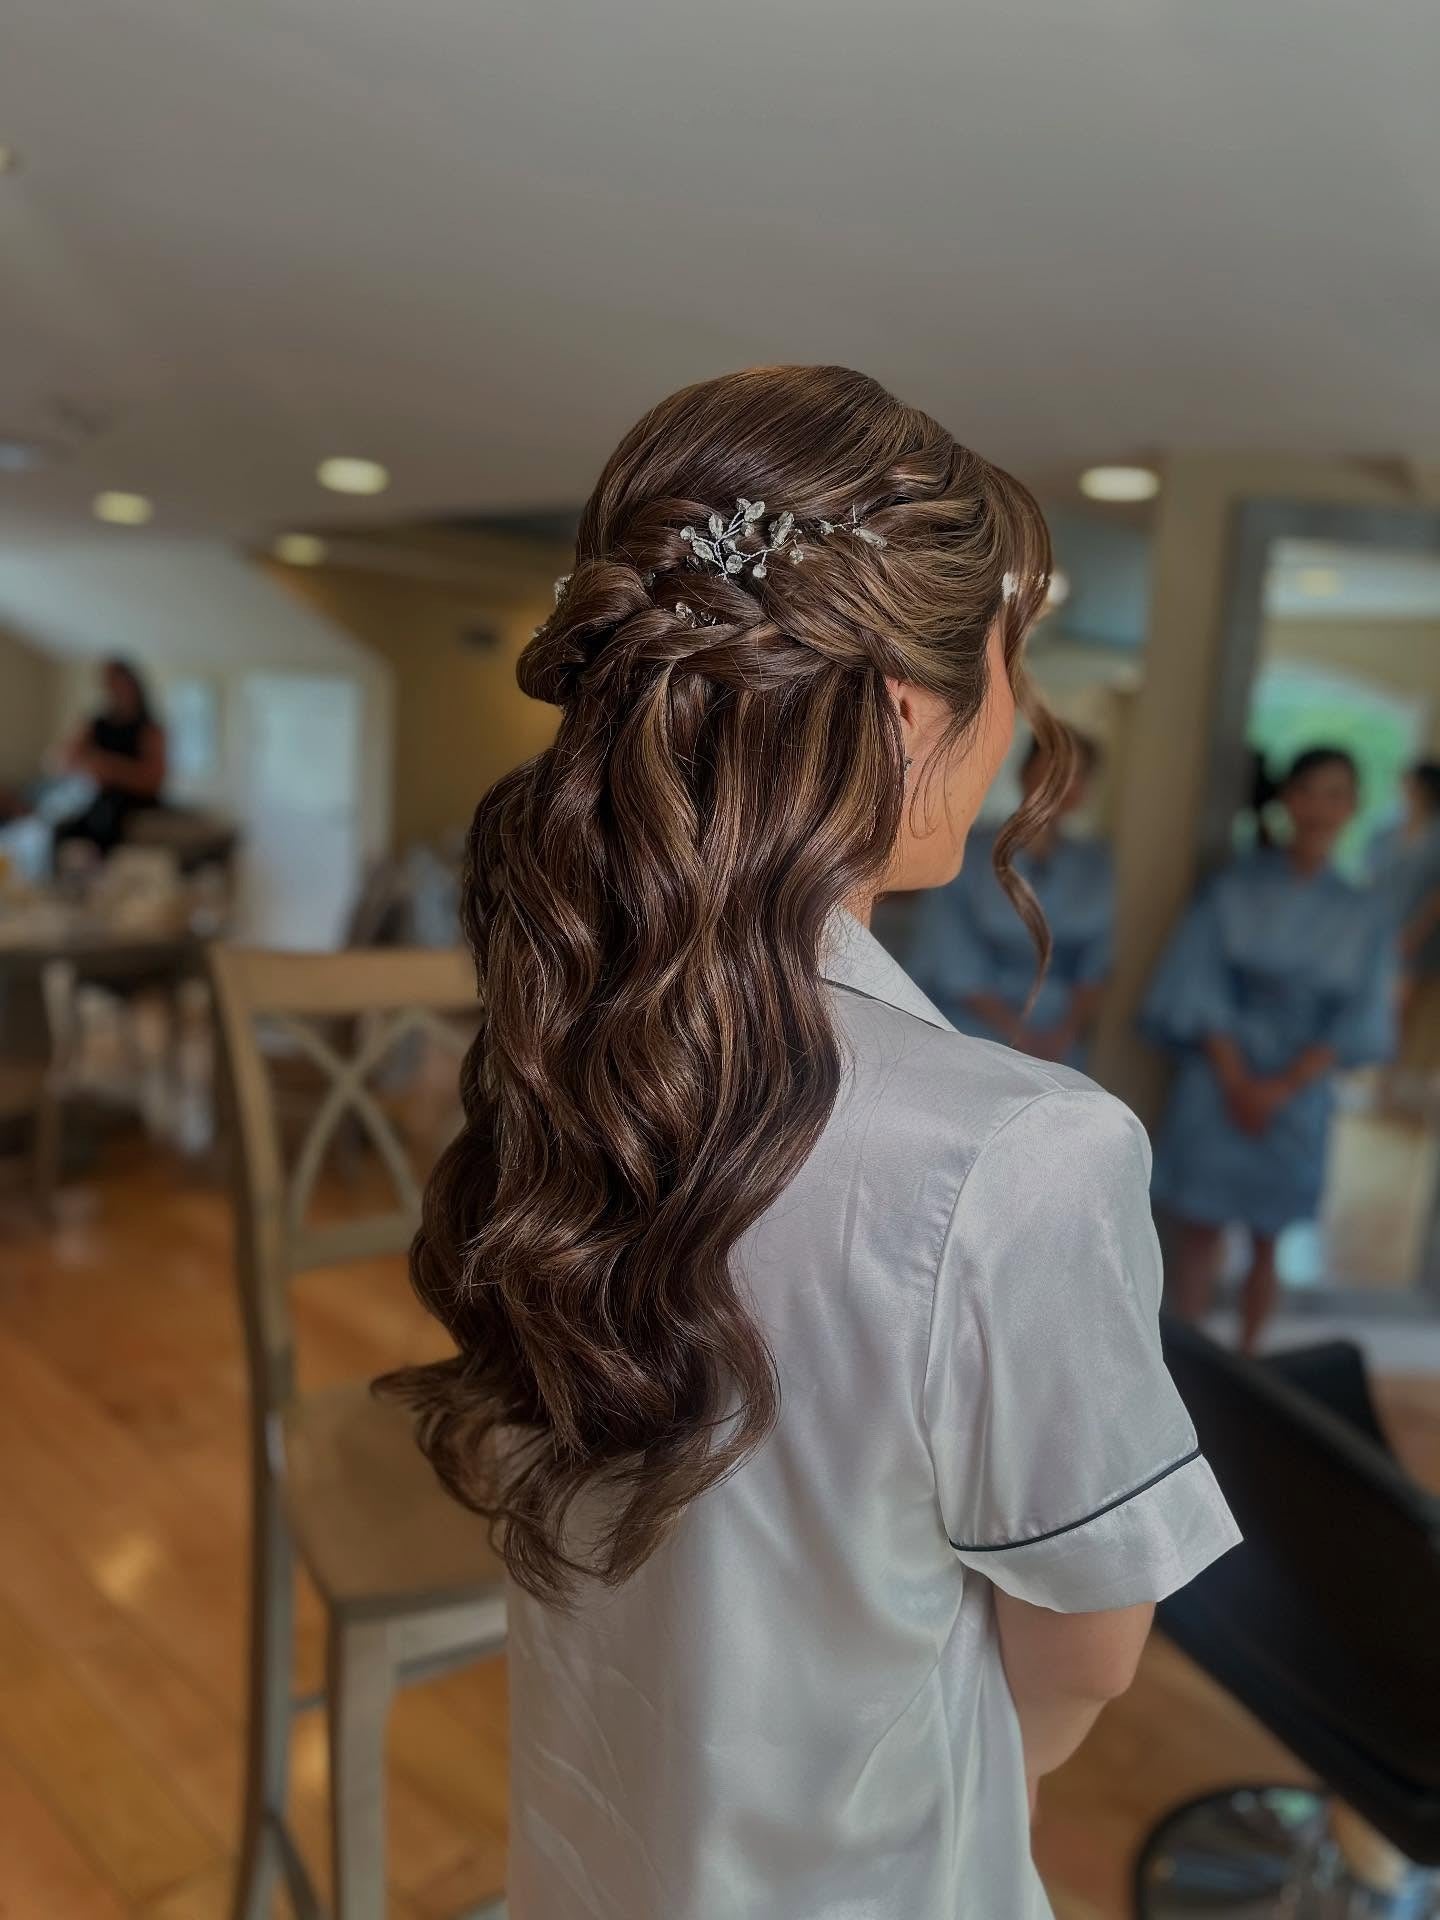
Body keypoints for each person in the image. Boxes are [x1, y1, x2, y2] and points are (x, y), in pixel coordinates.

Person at [382, 367, 1239, 1920]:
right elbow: (1086, 1648)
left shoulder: (563, 1055)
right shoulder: (1020, 1153)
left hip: (580, 1866)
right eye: (1009, 664)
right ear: (912, 714)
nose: (1020, 717)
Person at [1143, 747, 1395, 1351]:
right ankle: (1188, 1370)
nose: (1322, 807)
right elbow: (1196, 984)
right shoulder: (1231, 888)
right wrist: (1239, 1082)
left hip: (1298, 1091)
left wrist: (1279, 1089)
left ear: (1355, 807)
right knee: (1197, 1234)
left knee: (1268, 1238)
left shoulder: (1363, 913)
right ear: (1287, 799)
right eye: (1311, 791)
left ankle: (1250, 1364)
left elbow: (1357, 1017)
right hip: (1219, 1077)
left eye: (1338, 794)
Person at [905, 727, 1112, 1063]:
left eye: (1077, 775)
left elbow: (1096, 964)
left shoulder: (1096, 865)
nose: (1062, 785)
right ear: (1023, 771)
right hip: (972, 1029)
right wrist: (1020, 1035)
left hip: (1059, 1041)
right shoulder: (968, 853)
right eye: (1053, 768)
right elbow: (952, 957)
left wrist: (1064, 1034)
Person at [1369, 759, 1440, 1097]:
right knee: (1377, 1005)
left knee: (1397, 1010)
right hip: (1380, 931)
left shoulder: (1436, 837)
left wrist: (1413, 934)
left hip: (1417, 939)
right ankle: (1378, 1079)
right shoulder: (1385, 831)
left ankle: (1388, 1082)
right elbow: (1369, 878)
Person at [52, 657, 167, 861]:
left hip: (134, 802)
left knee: (106, 823)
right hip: (102, 799)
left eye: (118, 683)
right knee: (62, 830)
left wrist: (112, 768)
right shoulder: (97, 722)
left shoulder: (148, 727)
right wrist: (89, 764)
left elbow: (153, 781)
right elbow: (61, 759)